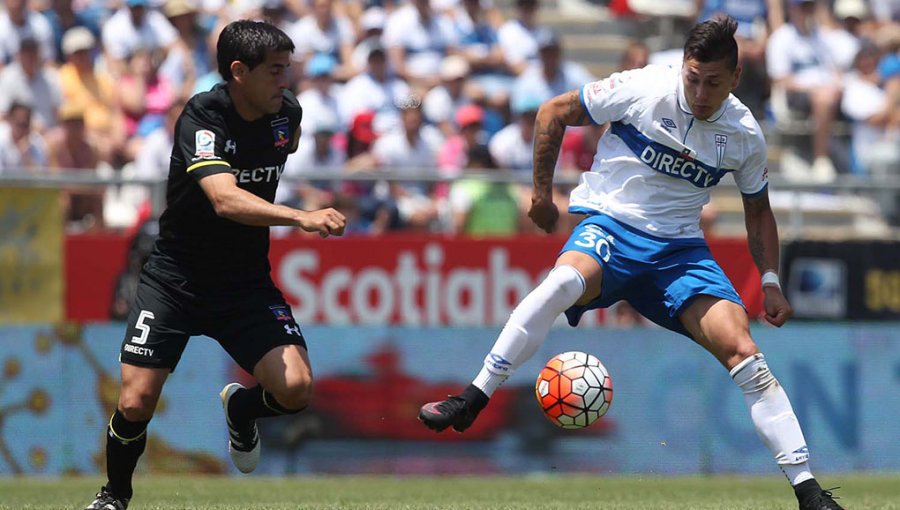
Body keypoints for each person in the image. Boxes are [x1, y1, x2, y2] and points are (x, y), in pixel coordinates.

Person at [418, 16, 845, 510]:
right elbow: (553, 110)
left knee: (746, 352)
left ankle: (808, 491)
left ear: (734, 80)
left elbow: (758, 210)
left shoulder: (744, 132)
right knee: (560, 284)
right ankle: (473, 397)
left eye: (712, 82)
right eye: (692, 77)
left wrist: (769, 279)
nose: (700, 92)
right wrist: (540, 195)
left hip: (680, 252)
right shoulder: (644, 86)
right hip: (613, 228)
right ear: (682, 67)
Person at [83, 20, 346, 510]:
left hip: (244, 283)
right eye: (275, 71)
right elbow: (224, 200)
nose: (286, 81)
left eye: (287, 69)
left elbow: (267, 159)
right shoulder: (202, 117)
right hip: (174, 281)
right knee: (136, 400)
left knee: (297, 389)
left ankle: (241, 409)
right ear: (239, 72)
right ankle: (114, 496)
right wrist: (301, 217)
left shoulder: (287, 115)